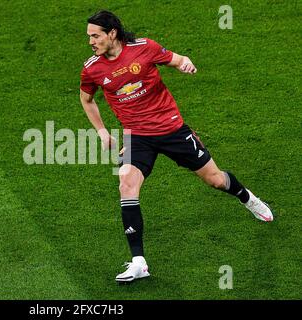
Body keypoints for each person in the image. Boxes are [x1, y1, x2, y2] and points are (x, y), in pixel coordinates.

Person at [79, 10, 274, 283]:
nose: (90, 41)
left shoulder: (144, 48)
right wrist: (101, 132)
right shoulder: (92, 68)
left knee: (216, 180)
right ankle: (139, 262)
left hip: (172, 130)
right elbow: (87, 100)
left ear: (112, 33)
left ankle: (248, 198)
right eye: (89, 36)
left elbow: (179, 59)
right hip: (137, 138)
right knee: (126, 184)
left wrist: (186, 64)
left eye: (95, 35)